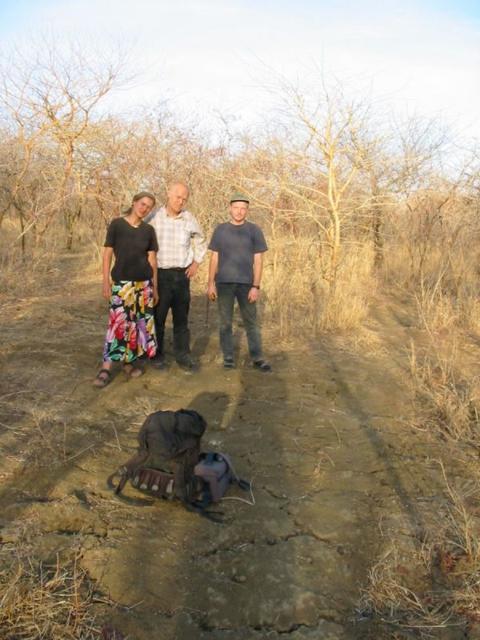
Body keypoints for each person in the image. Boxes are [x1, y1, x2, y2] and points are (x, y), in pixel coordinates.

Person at [93, 191, 159, 388]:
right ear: (134, 202)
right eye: (142, 203)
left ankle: (128, 362)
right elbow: (107, 256)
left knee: (137, 326)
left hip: (143, 285)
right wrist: (106, 282)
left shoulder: (148, 230)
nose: (144, 208)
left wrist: (155, 288)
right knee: (117, 325)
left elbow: (152, 260)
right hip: (122, 284)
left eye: (148, 206)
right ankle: (106, 367)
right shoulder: (117, 225)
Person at [207, 193, 271, 372]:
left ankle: (257, 357)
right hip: (224, 283)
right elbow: (214, 257)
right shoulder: (220, 230)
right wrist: (210, 283)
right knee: (225, 322)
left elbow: (258, 260)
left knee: (251, 322)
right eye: (236, 207)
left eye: (243, 208)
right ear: (230, 208)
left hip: (246, 284)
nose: (239, 211)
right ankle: (228, 358)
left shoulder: (254, 230)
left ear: (247, 210)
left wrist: (256, 286)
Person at [148, 182, 207, 371]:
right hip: (160, 276)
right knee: (158, 318)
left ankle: (183, 355)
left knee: (181, 319)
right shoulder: (154, 216)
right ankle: (156, 355)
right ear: (168, 193)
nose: (180, 201)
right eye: (177, 197)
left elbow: (201, 240)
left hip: (182, 277)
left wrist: (196, 262)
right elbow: (141, 239)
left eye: (184, 199)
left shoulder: (189, 219)